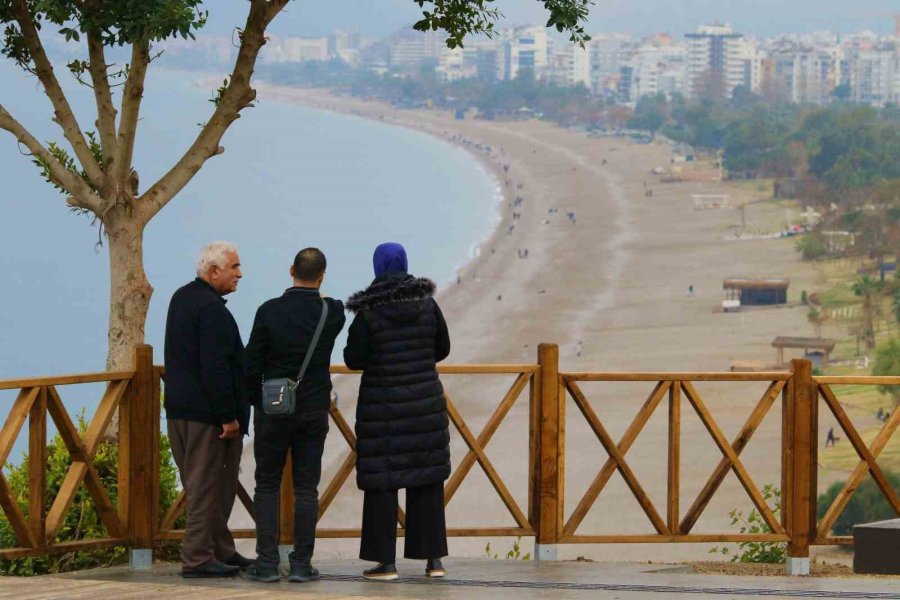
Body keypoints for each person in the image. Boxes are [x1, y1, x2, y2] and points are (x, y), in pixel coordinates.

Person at [344, 243, 451, 581]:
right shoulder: (427, 303)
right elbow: (443, 347)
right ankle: (433, 561)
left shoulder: (369, 311)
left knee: (382, 481)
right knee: (427, 478)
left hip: (383, 408)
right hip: (425, 404)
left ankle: (385, 563)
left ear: (377, 268)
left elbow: (353, 358)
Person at [243, 248, 346, 583]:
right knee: (306, 488)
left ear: (290, 270)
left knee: (267, 484)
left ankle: (267, 563)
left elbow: (251, 364)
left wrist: (255, 402)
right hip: (313, 408)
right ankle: (301, 564)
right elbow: (331, 303)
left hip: (273, 408)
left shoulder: (268, 311)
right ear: (322, 276)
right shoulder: (332, 312)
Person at [164, 241, 252, 578]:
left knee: (208, 484)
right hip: (207, 416)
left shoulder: (182, 298)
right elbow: (215, 367)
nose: (240, 274)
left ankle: (220, 549)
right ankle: (198, 558)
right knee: (205, 487)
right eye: (234, 267)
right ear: (214, 271)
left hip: (179, 410)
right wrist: (228, 416)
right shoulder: (212, 310)